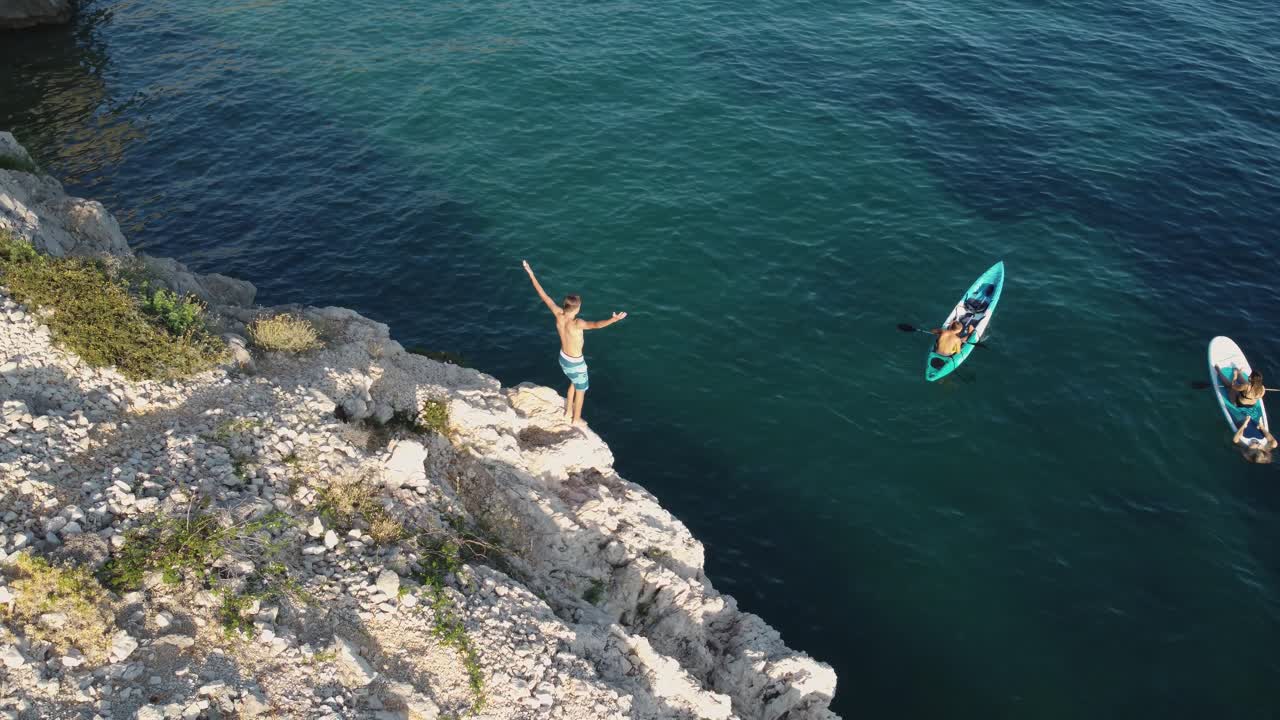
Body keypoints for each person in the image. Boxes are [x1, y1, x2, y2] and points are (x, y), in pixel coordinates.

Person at [522, 260, 626, 426]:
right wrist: (613, 320)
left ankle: (568, 412)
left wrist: (531, 273)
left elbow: (544, 295)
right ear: (577, 309)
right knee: (581, 390)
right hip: (576, 363)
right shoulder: (578, 323)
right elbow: (596, 325)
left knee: (574, 381)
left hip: (563, 358)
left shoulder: (558, 314)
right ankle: (576, 420)